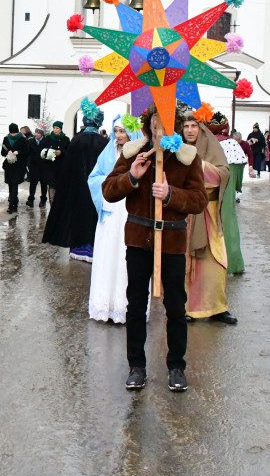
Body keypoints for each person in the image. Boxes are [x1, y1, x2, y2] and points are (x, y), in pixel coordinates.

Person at [102, 103, 208, 392]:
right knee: (135, 305)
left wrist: (171, 194)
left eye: (166, 124)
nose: (159, 129)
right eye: (155, 124)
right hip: (138, 240)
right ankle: (136, 366)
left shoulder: (186, 157)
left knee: (175, 306)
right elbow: (108, 191)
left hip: (172, 242)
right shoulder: (134, 153)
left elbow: (199, 200)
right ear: (148, 125)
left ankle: (176, 366)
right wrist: (132, 177)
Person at [183, 111, 238, 324]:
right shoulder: (176, 149)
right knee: (188, 263)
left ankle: (217, 308)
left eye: (194, 126)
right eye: (186, 126)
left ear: (201, 128)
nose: (189, 130)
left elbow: (223, 173)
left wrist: (200, 165)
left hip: (210, 213)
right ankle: (188, 307)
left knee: (216, 261)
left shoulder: (213, 147)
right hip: (186, 214)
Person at [87, 117, 143, 323]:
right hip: (110, 209)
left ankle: (123, 305)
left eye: (123, 131)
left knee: (125, 256)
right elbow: (94, 177)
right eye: (116, 131)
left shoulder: (139, 153)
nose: (119, 135)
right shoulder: (108, 152)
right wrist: (110, 182)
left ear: (132, 133)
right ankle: (104, 303)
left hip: (129, 210)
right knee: (108, 253)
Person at [43, 101, 109, 261]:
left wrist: (64, 185)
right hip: (97, 188)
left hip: (77, 187)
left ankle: (79, 249)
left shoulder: (76, 140)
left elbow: (67, 167)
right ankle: (93, 248)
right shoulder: (104, 142)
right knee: (94, 216)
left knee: (78, 216)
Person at [220, 128, 248, 274]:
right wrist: (236, 188)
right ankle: (233, 263)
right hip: (226, 193)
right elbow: (238, 173)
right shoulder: (232, 145)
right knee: (228, 225)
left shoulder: (205, 142)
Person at [1, 123, 29, 213]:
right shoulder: (6, 139)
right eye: (11, 133)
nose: (13, 135)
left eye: (15, 133)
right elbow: (2, 151)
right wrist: (7, 153)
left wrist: (18, 152)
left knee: (15, 184)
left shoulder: (23, 139)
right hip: (9, 164)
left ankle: (12, 205)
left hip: (19, 165)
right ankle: (14, 200)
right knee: (10, 183)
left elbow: (27, 151)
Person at [39, 121, 69, 203]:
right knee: (51, 185)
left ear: (61, 129)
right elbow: (41, 150)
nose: (55, 130)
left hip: (60, 167)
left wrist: (61, 152)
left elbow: (68, 151)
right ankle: (52, 203)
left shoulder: (66, 139)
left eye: (57, 128)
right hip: (49, 167)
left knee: (59, 186)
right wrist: (48, 152)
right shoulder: (47, 138)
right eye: (54, 128)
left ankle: (59, 204)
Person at [26, 126, 47, 208]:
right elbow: (28, 152)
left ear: (42, 134)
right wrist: (28, 163)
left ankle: (43, 200)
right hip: (34, 165)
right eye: (36, 132)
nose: (37, 134)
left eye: (39, 133)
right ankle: (31, 199)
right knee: (33, 183)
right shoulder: (31, 141)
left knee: (44, 184)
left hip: (44, 165)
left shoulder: (45, 141)